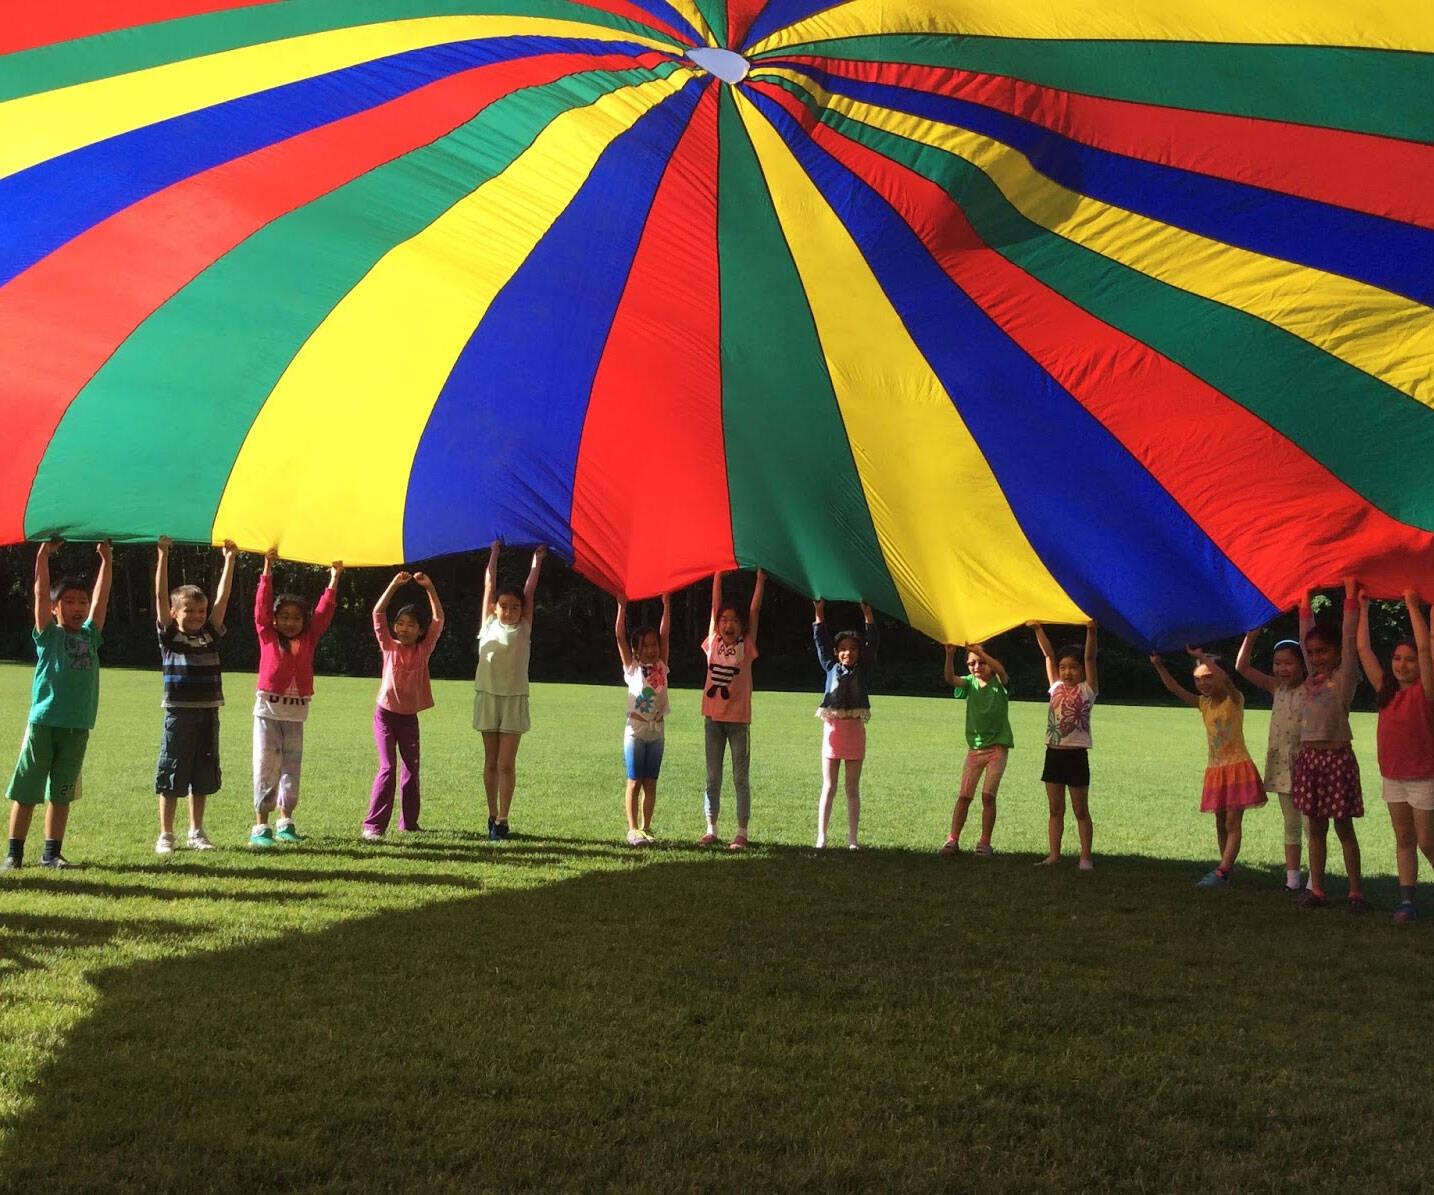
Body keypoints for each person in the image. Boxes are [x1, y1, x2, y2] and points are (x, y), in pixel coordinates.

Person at [3, 540, 112, 871]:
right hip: (44, 723)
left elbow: (102, 598)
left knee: (62, 793)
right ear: (54, 608)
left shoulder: (90, 636)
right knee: (27, 792)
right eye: (68, 601)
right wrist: (42, 556)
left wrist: (106, 561)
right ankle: (14, 854)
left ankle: (51, 854)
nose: (78, 607)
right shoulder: (49, 635)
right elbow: (39, 594)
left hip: (78, 727)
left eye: (81, 601)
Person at [1150, 646, 1266, 885]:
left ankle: (1222, 871)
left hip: (1237, 768)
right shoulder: (1203, 703)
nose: (1203, 683)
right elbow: (1174, 688)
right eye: (1198, 679)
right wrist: (1158, 664)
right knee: (1220, 822)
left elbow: (1227, 679)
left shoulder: (1235, 699)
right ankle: (1227, 867)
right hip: (1216, 770)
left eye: (1208, 677)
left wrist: (1202, 657)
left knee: (1232, 823)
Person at [153, 536, 237, 855]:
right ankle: (166, 834)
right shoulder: (170, 636)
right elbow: (160, 594)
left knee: (202, 772)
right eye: (190, 610)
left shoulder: (209, 635)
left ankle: (196, 831)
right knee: (172, 770)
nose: (198, 616)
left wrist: (229, 560)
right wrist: (162, 556)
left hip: (208, 712)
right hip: (179, 713)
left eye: (202, 611)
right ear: (174, 613)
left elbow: (223, 598)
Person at [251, 549, 341, 848]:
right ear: (275, 620)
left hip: (296, 715)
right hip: (267, 712)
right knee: (266, 766)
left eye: (296, 618)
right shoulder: (267, 635)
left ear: (304, 621)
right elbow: (261, 608)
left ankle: (285, 821)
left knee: (291, 768)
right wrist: (267, 569)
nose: (290, 622)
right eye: (284, 617)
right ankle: (261, 827)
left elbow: (323, 614)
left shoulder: (309, 638)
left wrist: (334, 579)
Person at [1355, 589, 1434, 923]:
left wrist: (1413, 606)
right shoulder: (1384, 689)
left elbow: (1427, 646)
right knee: (1404, 838)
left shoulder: (1427, 690)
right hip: (1394, 775)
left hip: (1424, 776)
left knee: (1428, 841)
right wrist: (1362, 609)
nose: (1402, 665)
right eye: (1398, 658)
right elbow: (1362, 649)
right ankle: (1406, 901)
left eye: (1410, 659)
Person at [1291, 579, 1367, 912]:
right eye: (1311, 653)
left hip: (1337, 758)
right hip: (1310, 759)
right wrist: (1304, 602)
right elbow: (1306, 630)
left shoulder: (1344, 677)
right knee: (1315, 828)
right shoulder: (1311, 677)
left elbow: (1350, 641)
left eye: (1323, 651)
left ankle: (1355, 892)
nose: (1316, 658)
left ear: (1336, 653)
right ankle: (1317, 890)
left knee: (1343, 827)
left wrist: (1350, 599)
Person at [362, 571, 444, 842]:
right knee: (388, 767)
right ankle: (373, 826)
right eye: (401, 623)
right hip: (384, 715)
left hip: (409, 718)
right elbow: (377, 613)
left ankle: (409, 822)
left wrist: (430, 587)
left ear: (420, 631)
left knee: (412, 769)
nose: (405, 628)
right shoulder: (389, 646)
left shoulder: (424, 649)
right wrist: (393, 586)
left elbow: (438, 620)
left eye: (411, 624)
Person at [474, 540, 546, 841]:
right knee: (490, 762)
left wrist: (537, 561)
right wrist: (493, 553)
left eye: (515, 607)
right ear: (495, 608)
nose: (509, 610)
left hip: (514, 699)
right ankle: (492, 817)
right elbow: (489, 585)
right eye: (504, 606)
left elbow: (529, 592)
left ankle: (504, 820)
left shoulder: (524, 629)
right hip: (488, 697)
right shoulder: (488, 623)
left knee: (506, 763)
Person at [1236, 629, 1309, 893]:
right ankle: (1292, 881)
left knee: (1312, 827)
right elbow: (1242, 667)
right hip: (1282, 765)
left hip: (1307, 764)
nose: (1282, 669)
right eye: (1277, 663)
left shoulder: (1312, 688)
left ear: (1303, 664)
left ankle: (1315, 882)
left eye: (1289, 663)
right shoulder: (1275, 687)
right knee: (1291, 824)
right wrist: (1252, 635)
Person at [699, 569, 764, 850]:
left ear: (742, 626)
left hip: (738, 721)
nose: (728, 624)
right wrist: (717, 575)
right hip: (713, 719)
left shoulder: (746, 646)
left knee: (740, 778)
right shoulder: (712, 643)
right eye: (724, 620)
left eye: (734, 621)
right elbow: (714, 606)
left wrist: (760, 581)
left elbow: (755, 609)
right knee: (713, 777)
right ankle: (711, 828)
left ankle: (741, 832)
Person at [1030, 621, 1098, 869]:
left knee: (1080, 810)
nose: (1067, 672)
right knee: (1055, 809)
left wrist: (1091, 631)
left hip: (1076, 756)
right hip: (1054, 755)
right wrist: (1037, 628)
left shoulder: (1088, 689)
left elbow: (1090, 656)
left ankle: (1085, 857)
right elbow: (1048, 653)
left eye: (1073, 667)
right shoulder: (1056, 686)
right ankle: (1054, 855)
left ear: (1082, 670)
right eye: (1063, 667)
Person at [813, 599, 876, 850]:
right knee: (829, 786)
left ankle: (852, 839)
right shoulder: (830, 666)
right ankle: (822, 837)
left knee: (852, 788)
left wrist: (868, 615)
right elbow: (820, 642)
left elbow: (874, 644)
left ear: (859, 653)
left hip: (854, 733)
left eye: (853, 648)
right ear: (836, 652)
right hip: (833, 733)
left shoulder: (863, 669)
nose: (847, 652)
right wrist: (819, 613)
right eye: (842, 648)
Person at [938, 642, 1013, 857]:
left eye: (981, 662)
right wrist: (949, 655)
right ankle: (952, 840)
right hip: (975, 750)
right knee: (964, 796)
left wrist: (981, 652)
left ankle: (985, 842)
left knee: (988, 796)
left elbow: (1000, 670)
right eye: (971, 663)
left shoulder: (1000, 682)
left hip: (997, 749)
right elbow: (950, 679)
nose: (977, 666)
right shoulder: (969, 683)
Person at [616, 594, 671, 847]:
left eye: (654, 644)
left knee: (651, 782)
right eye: (645, 645)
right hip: (636, 731)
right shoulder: (633, 668)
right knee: (634, 780)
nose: (651, 649)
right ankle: (633, 829)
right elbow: (619, 636)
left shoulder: (662, 665)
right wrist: (621, 608)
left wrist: (667, 605)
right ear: (637, 650)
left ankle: (647, 828)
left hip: (657, 730)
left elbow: (666, 634)